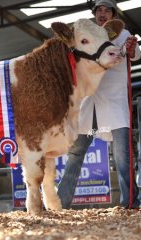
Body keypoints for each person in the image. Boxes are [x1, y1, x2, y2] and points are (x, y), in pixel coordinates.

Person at [57, 0, 141, 209]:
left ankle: (130, 202)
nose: (103, 13)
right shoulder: (88, 33)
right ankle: (60, 203)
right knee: (75, 154)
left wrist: (132, 48)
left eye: (107, 10)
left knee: (122, 156)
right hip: (89, 104)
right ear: (94, 13)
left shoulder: (122, 34)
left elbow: (136, 54)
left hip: (115, 102)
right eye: (99, 10)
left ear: (113, 13)